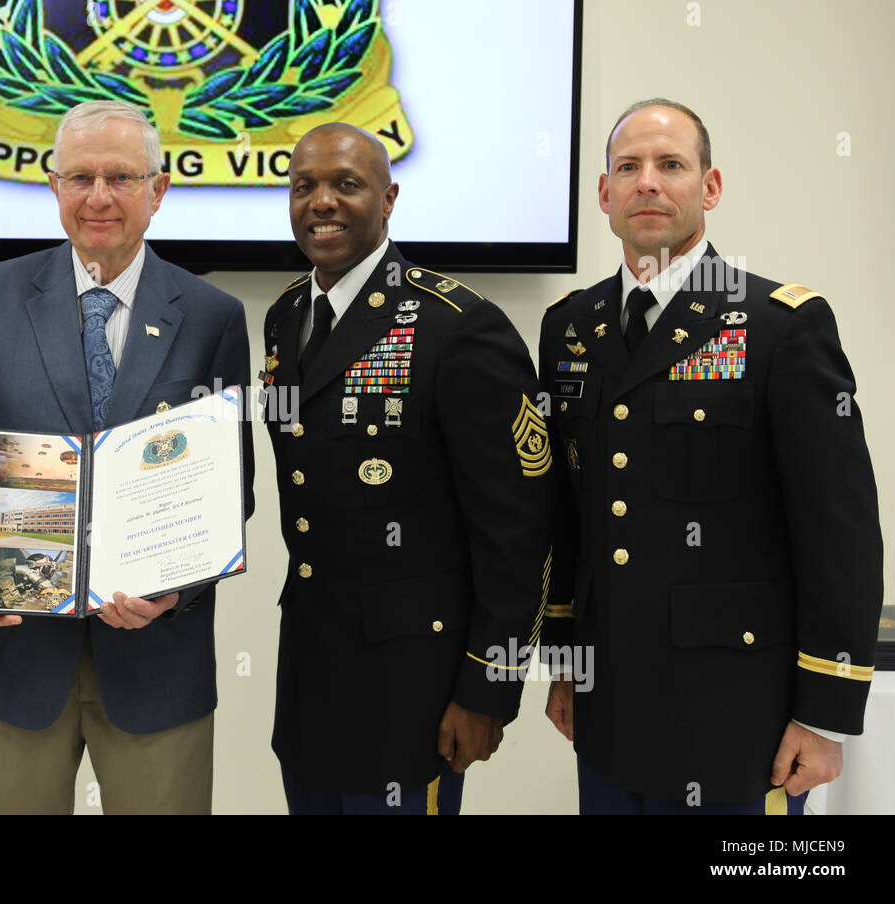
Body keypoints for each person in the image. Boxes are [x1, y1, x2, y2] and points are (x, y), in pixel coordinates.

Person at [539, 99, 883, 814]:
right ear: (604, 194)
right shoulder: (570, 327)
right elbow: (569, 518)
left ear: (711, 187)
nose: (647, 183)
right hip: (609, 707)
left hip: (736, 713)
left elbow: (839, 532)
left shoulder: (779, 326)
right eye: (628, 168)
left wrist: (823, 714)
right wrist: (565, 662)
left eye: (671, 165)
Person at [0, 100, 252, 814]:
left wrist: (177, 587)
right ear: (54, 187)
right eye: (80, 177)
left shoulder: (212, 316)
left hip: (157, 664)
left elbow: (233, 489)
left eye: (121, 176)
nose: (100, 197)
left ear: (159, 189)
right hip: (15, 660)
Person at [262, 123, 553, 814]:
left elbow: (520, 528)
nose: (321, 202)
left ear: (389, 198)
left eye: (346, 184)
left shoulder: (455, 325)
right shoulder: (286, 318)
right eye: (304, 187)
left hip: (412, 687)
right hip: (310, 673)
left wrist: (489, 686)